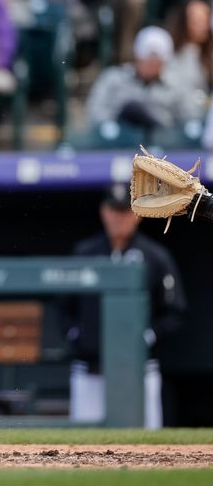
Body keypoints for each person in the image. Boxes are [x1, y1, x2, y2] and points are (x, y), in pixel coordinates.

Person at [62, 183, 186, 429]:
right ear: (103, 212)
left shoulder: (155, 256)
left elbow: (175, 311)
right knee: (81, 448)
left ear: (138, 214)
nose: (118, 217)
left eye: (125, 211)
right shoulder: (84, 253)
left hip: (139, 369)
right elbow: (64, 305)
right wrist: (77, 335)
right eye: (113, 210)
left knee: (146, 446)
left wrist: (147, 336)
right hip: (90, 369)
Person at [85, 26, 201, 149]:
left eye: (156, 60)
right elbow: (95, 110)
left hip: (165, 149)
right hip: (119, 146)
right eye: (147, 58)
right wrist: (113, 125)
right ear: (137, 56)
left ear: (165, 61)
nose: (150, 64)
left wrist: (165, 128)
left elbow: (191, 118)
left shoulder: (178, 84)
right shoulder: (114, 78)